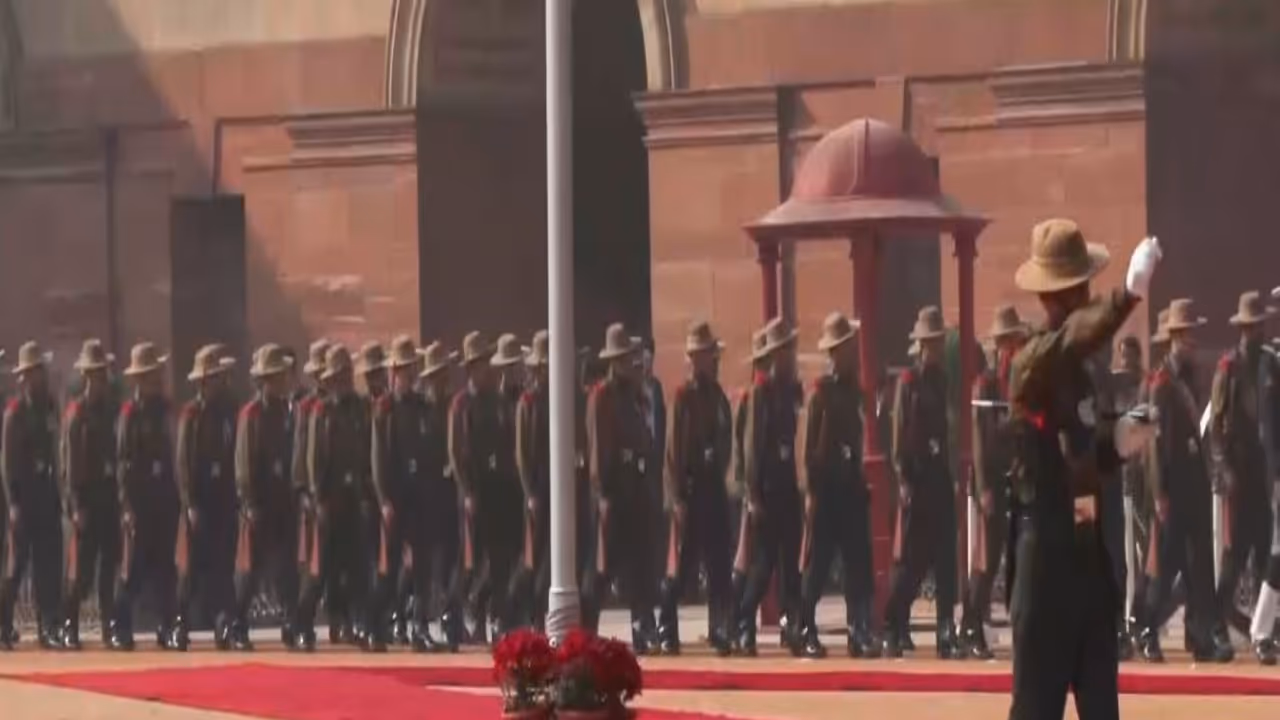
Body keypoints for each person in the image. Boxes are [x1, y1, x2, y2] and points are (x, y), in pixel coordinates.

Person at [1005, 219, 1160, 720]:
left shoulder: (1086, 367)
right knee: (1035, 711)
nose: (1091, 296)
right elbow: (1073, 335)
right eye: (1083, 289)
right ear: (1063, 296)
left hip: (1088, 566)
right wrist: (1128, 298)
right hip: (1046, 564)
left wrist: (1118, 441)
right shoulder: (1032, 361)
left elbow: (1083, 452)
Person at [1133, 299, 1233, 663]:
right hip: (1172, 486)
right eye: (1187, 335)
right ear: (1174, 339)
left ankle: (1199, 634)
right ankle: (1146, 628)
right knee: (1168, 562)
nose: (1192, 342)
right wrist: (1158, 491)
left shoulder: (1189, 378)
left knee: (1199, 565)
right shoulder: (1160, 384)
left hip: (1194, 484)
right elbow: (1154, 445)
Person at [798, 312, 879, 659]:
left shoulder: (855, 392)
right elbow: (809, 450)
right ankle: (805, 627)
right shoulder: (822, 394)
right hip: (827, 488)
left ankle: (858, 630)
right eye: (842, 349)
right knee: (818, 566)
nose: (847, 354)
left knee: (858, 563)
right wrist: (813, 492)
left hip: (850, 488)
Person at [883, 306, 959, 659]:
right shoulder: (908, 383)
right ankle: (894, 623)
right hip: (917, 477)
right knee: (912, 561)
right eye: (931, 343)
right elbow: (899, 433)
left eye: (939, 341)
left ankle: (946, 630)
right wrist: (903, 479)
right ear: (921, 346)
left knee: (945, 560)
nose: (937, 348)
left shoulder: (942, 380)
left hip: (940, 476)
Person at [1210, 290, 1279, 663]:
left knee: (1264, 547)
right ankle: (1219, 620)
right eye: (1253, 327)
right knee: (1235, 554)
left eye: (1261, 326)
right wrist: (1223, 468)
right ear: (1243, 329)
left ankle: (1261, 625)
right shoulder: (1229, 368)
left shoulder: (1269, 365)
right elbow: (1217, 426)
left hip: (1262, 473)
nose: (1258, 333)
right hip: (1238, 473)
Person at [657, 321, 733, 657]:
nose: (713, 361)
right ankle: (666, 627)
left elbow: (727, 437)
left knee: (719, 563)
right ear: (695, 359)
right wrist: (676, 497)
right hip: (689, 490)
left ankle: (720, 627)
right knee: (683, 566)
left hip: (713, 486)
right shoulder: (683, 397)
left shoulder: (717, 396)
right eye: (707, 355)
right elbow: (673, 450)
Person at [960, 305, 1029, 660]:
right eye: (1011, 342)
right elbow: (979, 440)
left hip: (1013, 481)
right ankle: (970, 626)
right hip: (991, 484)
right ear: (1001, 345)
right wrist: (985, 486)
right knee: (986, 562)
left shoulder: (1015, 380)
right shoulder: (985, 383)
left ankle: (1015, 627)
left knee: (1016, 556)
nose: (1015, 348)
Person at [586, 323, 658, 653]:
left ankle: (643, 627)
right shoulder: (602, 395)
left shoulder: (636, 393)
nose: (633, 363)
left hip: (637, 488)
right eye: (626, 357)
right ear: (615, 361)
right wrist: (602, 493)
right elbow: (599, 447)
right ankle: (587, 628)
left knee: (640, 564)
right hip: (614, 491)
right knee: (603, 567)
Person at [737, 318, 804, 657]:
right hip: (766, 488)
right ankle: (743, 623)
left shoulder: (787, 389)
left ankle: (793, 628)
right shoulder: (760, 392)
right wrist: (752, 495)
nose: (790, 356)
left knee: (791, 564)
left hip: (787, 484)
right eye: (784, 351)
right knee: (763, 566)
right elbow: (751, 447)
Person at [298, 344, 371, 651]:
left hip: (353, 496)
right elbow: (314, 457)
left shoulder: (359, 407)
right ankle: (302, 624)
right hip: (328, 499)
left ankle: (356, 623)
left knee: (355, 567)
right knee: (320, 569)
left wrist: (366, 491)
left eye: (346, 373)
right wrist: (316, 497)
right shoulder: (321, 411)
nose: (343, 380)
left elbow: (367, 449)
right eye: (338, 375)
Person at [450, 331, 521, 644]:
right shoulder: (461, 404)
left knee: (502, 559)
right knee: (475, 560)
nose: (489, 371)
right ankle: (468, 611)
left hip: (502, 490)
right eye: (482, 365)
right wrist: (467, 491)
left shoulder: (499, 399)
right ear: (471, 368)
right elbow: (456, 451)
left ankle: (496, 617)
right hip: (476, 491)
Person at [109, 342, 180, 651]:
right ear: (138, 380)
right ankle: (119, 626)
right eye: (150, 375)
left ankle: (168, 626)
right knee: (132, 569)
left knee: (166, 568)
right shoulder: (129, 415)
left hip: (164, 500)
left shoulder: (166, 410)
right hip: (139, 503)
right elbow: (123, 464)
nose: (156, 380)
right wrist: (126, 506)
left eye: (157, 374)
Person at [370, 336, 436, 651]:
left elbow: (429, 450)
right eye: (404, 369)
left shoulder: (423, 407)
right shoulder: (384, 409)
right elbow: (379, 458)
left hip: (420, 497)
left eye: (413, 368)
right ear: (394, 372)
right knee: (390, 564)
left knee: (421, 566)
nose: (409, 375)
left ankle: (420, 625)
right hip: (395, 496)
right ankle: (378, 624)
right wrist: (384, 499)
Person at [232, 344, 299, 651]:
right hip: (259, 502)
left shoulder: (285, 412)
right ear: (266, 380)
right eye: (278, 376)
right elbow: (244, 463)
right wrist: (249, 502)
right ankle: (237, 624)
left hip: (282, 500)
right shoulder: (252, 415)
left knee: (286, 567)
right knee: (251, 569)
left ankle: (292, 622)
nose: (285, 381)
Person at [172, 344, 239, 651]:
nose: (216, 383)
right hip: (199, 501)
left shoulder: (227, 411)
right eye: (211, 378)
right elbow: (183, 464)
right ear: (200, 383)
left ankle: (224, 624)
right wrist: (190, 504)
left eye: (218, 377)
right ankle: (179, 623)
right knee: (192, 569)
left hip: (223, 500)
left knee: (223, 566)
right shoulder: (191, 415)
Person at [59, 339, 121, 651]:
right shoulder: (76, 413)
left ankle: (111, 625)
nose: (99, 379)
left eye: (102, 373)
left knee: (109, 567)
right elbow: (69, 464)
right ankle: (69, 624)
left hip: (111, 498)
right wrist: (76, 505)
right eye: (94, 373)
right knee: (81, 572)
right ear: (86, 376)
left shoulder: (113, 409)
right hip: (87, 500)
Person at [0, 342, 63, 650]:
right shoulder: (15, 414)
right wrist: (13, 503)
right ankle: (2, 623)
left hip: (46, 496)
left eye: (39, 371)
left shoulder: (50, 405)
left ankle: (48, 626)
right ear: (22, 378)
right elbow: (7, 463)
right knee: (16, 566)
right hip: (23, 500)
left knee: (48, 566)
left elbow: (56, 448)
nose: (36, 378)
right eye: (30, 374)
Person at [419, 341, 463, 650]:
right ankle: (420, 618)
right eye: (435, 376)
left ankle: (453, 618)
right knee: (427, 566)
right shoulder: (422, 411)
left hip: (452, 495)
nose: (440, 381)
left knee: (454, 563)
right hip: (426, 496)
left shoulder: (454, 406)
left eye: (443, 375)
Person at [516, 330, 552, 631]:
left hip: (559, 490)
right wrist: (530, 492)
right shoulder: (528, 403)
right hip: (537, 490)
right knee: (535, 558)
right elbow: (522, 453)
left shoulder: (561, 399)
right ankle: (532, 614)